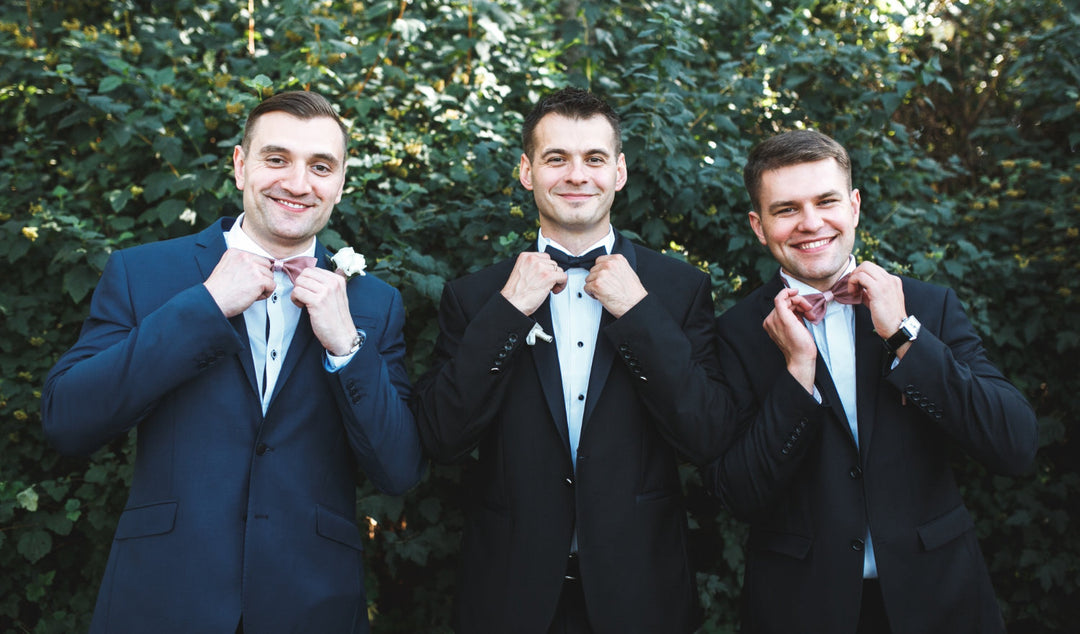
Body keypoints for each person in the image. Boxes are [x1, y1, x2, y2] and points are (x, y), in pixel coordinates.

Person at [41, 90, 425, 634]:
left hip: (312, 605)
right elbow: (66, 419)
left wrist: (347, 346)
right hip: (163, 600)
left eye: (320, 166)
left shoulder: (373, 303)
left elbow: (399, 469)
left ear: (340, 184)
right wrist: (204, 307)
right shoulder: (143, 273)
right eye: (277, 159)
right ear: (241, 166)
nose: (297, 183)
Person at [412, 87, 730, 633]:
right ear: (527, 171)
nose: (576, 175)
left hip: (642, 590)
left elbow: (707, 435)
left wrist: (639, 316)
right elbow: (442, 434)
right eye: (556, 158)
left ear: (620, 172)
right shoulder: (475, 296)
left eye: (595, 159)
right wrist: (509, 311)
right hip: (510, 592)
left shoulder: (679, 290)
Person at [705, 129, 1039, 633]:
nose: (811, 223)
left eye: (826, 201)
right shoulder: (734, 332)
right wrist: (798, 373)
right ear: (758, 225)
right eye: (787, 209)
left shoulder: (928, 307)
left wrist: (907, 337)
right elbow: (737, 494)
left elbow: (1014, 444)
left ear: (855, 206)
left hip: (941, 600)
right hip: (801, 610)